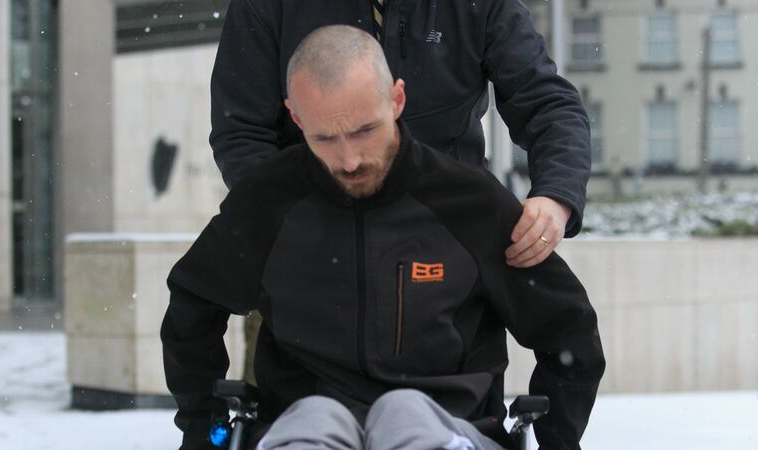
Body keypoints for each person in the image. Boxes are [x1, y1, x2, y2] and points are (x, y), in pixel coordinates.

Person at [162, 26, 605, 450]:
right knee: (317, 418)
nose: (349, 159)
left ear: (396, 99)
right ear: (296, 118)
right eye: (325, 138)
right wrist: (205, 431)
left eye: (363, 131)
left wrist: (557, 441)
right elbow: (193, 306)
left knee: (406, 412)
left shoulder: (468, 202)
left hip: (451, 421)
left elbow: (567, 326)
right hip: (302, 422)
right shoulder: (270, 200)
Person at [210, 0, 592, 267]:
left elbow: (548, 105)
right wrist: (286, 218)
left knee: (460, 379)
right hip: (307, 246)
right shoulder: (266, 5)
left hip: (449, 241)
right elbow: (240, 130)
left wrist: (556, 198)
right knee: (299, 381)